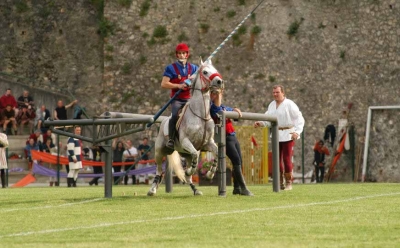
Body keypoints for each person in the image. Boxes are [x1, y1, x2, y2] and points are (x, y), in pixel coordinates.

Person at [254, 85, 305, 190]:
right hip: (276, 134)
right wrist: (261, 123)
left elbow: (299, 118)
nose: (275, 94)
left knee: (286, 158)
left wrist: (297, 132)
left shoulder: (289, 104)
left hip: (288, 134)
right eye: (274, 92)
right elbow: (268, 119)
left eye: (277, 92)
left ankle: (288, 183)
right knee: (276, 159)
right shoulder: (271, 105)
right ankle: (280, 182)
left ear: (283, 93)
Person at [210, 90, 253, 196]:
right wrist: (218, 96)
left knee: (239, 162)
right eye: (214, 94)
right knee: (236, 161)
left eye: (218, 94)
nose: (217, 96)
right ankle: (243, 188)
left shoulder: (224, 107)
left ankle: (236, 188)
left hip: (233, 136)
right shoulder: (211, 108)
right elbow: (217, 111)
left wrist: (234, 109)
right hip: (226, 138)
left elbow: (231, 111)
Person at [161, 43, 198, 149]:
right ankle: (171, 139)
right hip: (177, 99)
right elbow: (164, 84)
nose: (182, 55)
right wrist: (178, 85)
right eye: (180, 53)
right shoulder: (170, 68)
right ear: (177, 55)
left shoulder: (194, 68)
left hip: (190, 99)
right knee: (174, 117)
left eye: (184, 53)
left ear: (187, 55)